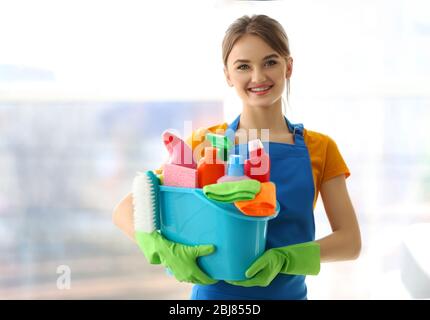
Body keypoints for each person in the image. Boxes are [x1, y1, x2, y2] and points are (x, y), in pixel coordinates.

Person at [113, 14, 361, 300]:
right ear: (228, 75)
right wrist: (163, 250)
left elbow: (350, 242)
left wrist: (286, 259)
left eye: (270, 62)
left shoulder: (321, 148)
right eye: (243, 66)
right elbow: (126, 209)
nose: (258, 77)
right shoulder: (205, 144)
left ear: (288, 67)